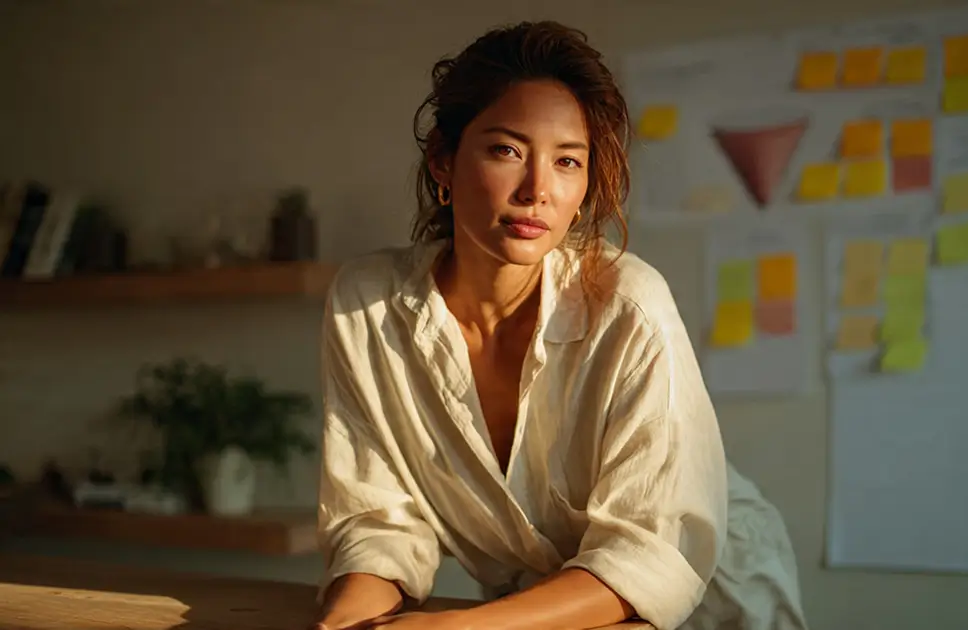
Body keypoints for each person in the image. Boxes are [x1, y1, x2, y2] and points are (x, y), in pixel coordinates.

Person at [312, 20, 807, 630]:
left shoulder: (629, 306)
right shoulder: (368, 304)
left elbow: (648, 557)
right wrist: (343, 625)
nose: (538, 190)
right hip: (532, 614)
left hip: (710, 599)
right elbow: (379, 522)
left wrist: (456, 628)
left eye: (568, 161)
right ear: (443, 159)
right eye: (506, 150)